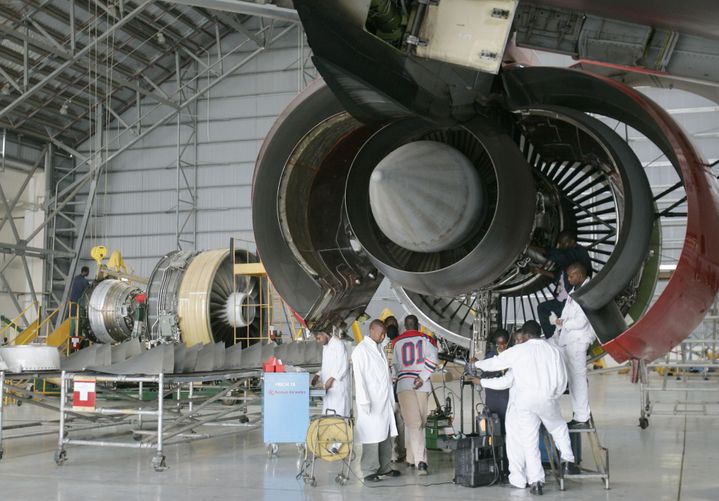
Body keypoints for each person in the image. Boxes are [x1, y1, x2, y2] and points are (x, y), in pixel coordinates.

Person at [474, 321, 575, 495]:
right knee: (558, 427)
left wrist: (476, 365)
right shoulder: (553, 351)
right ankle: (568, 461)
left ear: (526, 335)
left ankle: (536, 482)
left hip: (524, 402)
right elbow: (562, 378)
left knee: (529, 441)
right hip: (547, 397)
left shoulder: (519, 351)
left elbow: (496, 363)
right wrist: (554, 395)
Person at [352, 319, 401, 482]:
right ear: (371, 330)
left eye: (384, 334)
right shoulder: (361, 351)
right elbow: (359, 379)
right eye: (381, 333)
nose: (383, 336)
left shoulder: (378, 348)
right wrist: (364, 401)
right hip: (370, 402)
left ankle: (385, 467)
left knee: (385, 435)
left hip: (383, 400)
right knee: (372, 436)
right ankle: (369, 470)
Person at [391, 315, 438, 475]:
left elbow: (395, 366)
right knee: (417, 422)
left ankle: (411, 458)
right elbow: (434, 358)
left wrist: (396, 379)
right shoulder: (426, 339)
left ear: (404, 326)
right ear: (418, 325)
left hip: (404, 384)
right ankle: (421, 462)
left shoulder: (396, 342)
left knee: (417, 423)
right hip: (422, 385)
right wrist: (422, 377)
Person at [552, 262, 595, 428]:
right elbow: (567, 313)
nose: (568, 279)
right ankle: (579, 414)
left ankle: (582, 417)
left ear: (580, 275)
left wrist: (561, 322)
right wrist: (559, 325)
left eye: (571, 276)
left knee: (578, 380)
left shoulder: (586, 291)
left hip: (578, 341)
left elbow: (580, 322)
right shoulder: (576, 290)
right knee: (573, 379)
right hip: (569, 340)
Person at [532, 230, 592, 338]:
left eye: (563, 243)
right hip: (562, 299)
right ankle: (552, 337)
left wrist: (530, 248)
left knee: (546, 311)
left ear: (572, 242)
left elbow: (557, 255)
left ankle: (552, 338)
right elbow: (556, 275)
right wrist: (540, 271)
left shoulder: (575, 253)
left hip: (568, 301)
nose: (560, 246)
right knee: (542, 308)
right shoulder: (570, 260)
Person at [383, 316, 406, 464]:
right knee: (400, 423)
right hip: (398, 389)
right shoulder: (402, 344)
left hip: (389, 390)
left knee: (390, 423)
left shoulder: (381, 346)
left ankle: (392, 454)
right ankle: (400, 452)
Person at [311, 331, 351, 417]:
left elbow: (343, 365)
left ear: (324, 334)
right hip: (328, 389)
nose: (318, 341)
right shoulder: (325, 347)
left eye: (319, 338)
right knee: (328, 417)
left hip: (338, 387)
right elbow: (326, 367)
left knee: (339, 417)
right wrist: (318, 375)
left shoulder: (338, 344)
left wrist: (331, 379)